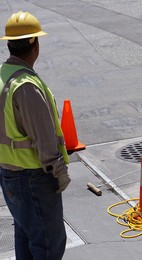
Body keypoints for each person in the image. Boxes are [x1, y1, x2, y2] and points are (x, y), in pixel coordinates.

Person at [0, 11, 71, 260]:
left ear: (9, 44)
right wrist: (59, 174)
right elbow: (44, 139)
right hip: (34, 178)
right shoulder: (26, 85)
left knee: (26, 237)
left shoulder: (3, 76)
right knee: (48, 245)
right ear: (35, 44)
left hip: (10, 174)